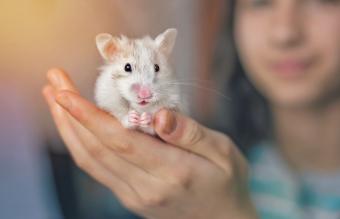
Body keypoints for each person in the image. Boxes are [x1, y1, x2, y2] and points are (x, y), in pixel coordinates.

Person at [42, 0, 340, 218]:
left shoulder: (210, 190)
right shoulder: (193, 180)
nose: (284, 33)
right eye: (260, 2)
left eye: (323, 1)